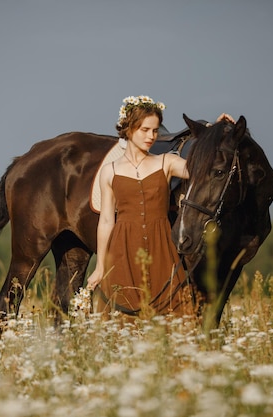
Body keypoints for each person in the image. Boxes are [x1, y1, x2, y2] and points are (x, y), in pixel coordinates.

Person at [86, 95, 233, 318]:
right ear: (129, 128)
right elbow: (106, 221)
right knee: (120, 325)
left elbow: (207, 168)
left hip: (163, 251)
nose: (151, 136)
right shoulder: (110, 171)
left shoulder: (167, 162)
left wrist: (217, 131)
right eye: (145, 130)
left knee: (174, 322)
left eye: (155, 131)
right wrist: (100, 267)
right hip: (122, 251)